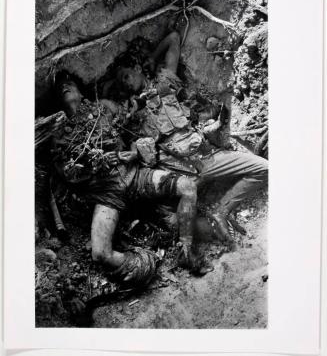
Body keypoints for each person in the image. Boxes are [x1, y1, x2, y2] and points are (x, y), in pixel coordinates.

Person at [109, 30, 268, 246]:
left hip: (206, 157)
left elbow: (173, 37)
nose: (125, 84)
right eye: (121, 83)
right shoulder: (129, 111)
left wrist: (150, 59)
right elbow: (106, 108)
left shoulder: (164, 80)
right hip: (179, 173)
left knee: (264, 168)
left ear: (137, 69)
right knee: (177, 226)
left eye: (126, 76)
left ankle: (221, 211)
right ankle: (202, 233)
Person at [51, 70, 207, 287]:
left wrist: (133, 151)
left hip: (135, 176)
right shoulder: (59, 134)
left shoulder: (103, 106)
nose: (64, 87)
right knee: (100, 254)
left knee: (187, 186)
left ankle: (186, 251)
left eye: (69, 83)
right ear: (56, 100)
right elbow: (68, 175)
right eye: (60, 88)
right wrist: (89, 165)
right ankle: (146, 264)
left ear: (80, 89)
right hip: (107, 194)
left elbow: (133, 131)